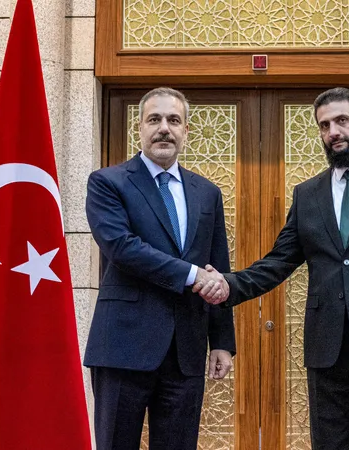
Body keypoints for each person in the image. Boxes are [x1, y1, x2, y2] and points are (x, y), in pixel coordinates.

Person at [197, 87, 349, 450]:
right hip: (327, 349)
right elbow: (278, 261)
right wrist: (229, 285)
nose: (334, 132)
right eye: (325, 125)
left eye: (342, 121)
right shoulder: (307, 194)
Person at [84, 87, 234, 450]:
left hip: (186, 350)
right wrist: (192, 275)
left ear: (186, 130)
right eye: (154, 119)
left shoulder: (207, 192)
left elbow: (217, 267)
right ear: (140, 127)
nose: (164, 128)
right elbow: (122, 248)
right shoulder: (108, 182)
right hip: (123, 346)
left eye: (173, 120)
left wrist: (222, 342)